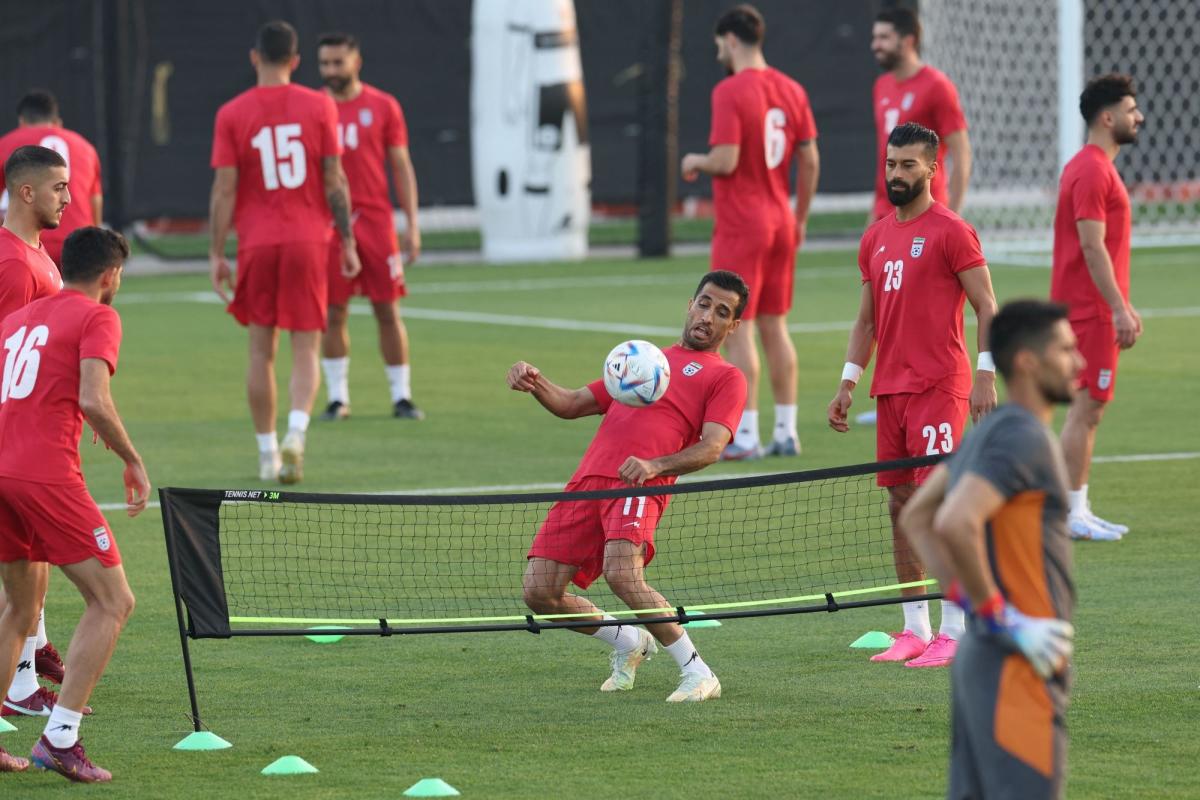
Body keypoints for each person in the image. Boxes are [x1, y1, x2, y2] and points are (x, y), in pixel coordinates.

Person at [510, 270, 749, 703]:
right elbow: (573, 404)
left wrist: (655, 465)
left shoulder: (726, 377)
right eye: (703, 304)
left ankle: (699, 672)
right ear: (689, 304)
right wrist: (536, 382)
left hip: (638, 484)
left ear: (732, 326)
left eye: (722, 312)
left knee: (623, 572)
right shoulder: (647, 359)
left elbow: (713, 446)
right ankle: (627, 641)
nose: (707, 317)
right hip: (588, 482)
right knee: (539, 591)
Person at [828, 122, 997, 668]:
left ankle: (956, 628)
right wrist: (848, 382)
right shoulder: (874, 237)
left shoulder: (952, 231)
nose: (896, 174)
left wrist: (985, 374)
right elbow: (865, 320)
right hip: (891, 393)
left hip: (939, 388)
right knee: (901, 508)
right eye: (890, 164)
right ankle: (913, 627)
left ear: (932, 168)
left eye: (908, 165)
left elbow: (987, 307)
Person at [899, 299, 1081, 799]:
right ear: (1028, 361)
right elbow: (955, 521)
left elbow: (917, 516)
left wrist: (971, 603)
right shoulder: (1024, 437)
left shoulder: (988, 432)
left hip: (983, 654)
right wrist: (1003, 617)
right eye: (1066, 350)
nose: (1079, 362)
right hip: (1017, 662)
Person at [0, 226, 149, 781]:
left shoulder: (17, 319)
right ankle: (60, 738)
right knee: (113, 601)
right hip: (45, 477)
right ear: (110, 276)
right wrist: (131, 458)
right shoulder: (98, 315)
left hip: (2, 470)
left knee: (18, 609)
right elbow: (93, 397)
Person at [209, 20, 361, 484]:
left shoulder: (232, 113)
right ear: (296, 61)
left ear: (255, 58)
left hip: (257, 241)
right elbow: (334, 179)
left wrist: (217, 251)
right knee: (306, 346)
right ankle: (297, 431)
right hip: (308, 240)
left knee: (261, 351)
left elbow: (224, 189)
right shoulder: (319, 107)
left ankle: (266, 452)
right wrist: (348, 241)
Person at [680, 4, 819, 460]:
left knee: (737, 329)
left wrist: (695, 161)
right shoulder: (792, 88)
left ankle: (745, 436)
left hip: (744, 223)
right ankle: (787, 430)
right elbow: (810, 159)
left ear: (732, 40)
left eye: (720, 44)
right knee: (776, 327)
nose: (719, 51)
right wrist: (799, 217)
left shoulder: (731, 90)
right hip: (781, 219)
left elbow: (727, 160)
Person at [1051, 74, 1144, 542]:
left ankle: (1079, 507)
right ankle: (1070, 512)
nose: (1138, 117)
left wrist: (1122, 305)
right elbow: (1092, 246)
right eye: (1131, 109)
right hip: (1089, 309)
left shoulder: (1094, 166)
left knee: (1090, 410)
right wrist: (1118, 309)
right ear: (1107, 118)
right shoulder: (1091, 169)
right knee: (1086, 408)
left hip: (1094, 307)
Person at [315, 32, 424, 422]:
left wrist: (411, 223)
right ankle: (337, 398)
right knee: (333, 312)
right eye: (324, 63)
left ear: (355, 62)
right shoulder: (314, 107)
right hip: (330, 223)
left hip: (376, 221)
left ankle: (401, 396)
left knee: (387, 308)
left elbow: (401, 166)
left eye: (337, 63)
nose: (330, 71)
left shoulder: (383, 106)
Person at [0, 146, 69, 711]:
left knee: (32, 557)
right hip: (15, 439)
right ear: (27, 192)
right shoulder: (15, 266)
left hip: (34, 435)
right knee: (22, 564)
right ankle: (21, 684)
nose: (67, 198)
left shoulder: (37, 254)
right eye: (58, 188)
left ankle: (29, 670)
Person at [869, 8, 970, 223]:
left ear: (908, 41)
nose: (875, 45)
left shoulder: (937, 86)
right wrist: (873, 211)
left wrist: (953, 216)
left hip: (925, 212)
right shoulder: (881, 86)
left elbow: (961, 153)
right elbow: (883, 158)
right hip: (885, 212)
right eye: (875, 38)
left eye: (884, 38)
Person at [0, 90, 103, 266]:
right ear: (57, 122)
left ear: (22, 121)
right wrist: (95, 242)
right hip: (80, 245)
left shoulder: (6, 144)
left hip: (28, 247)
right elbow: (95, 200)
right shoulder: (85, 147)